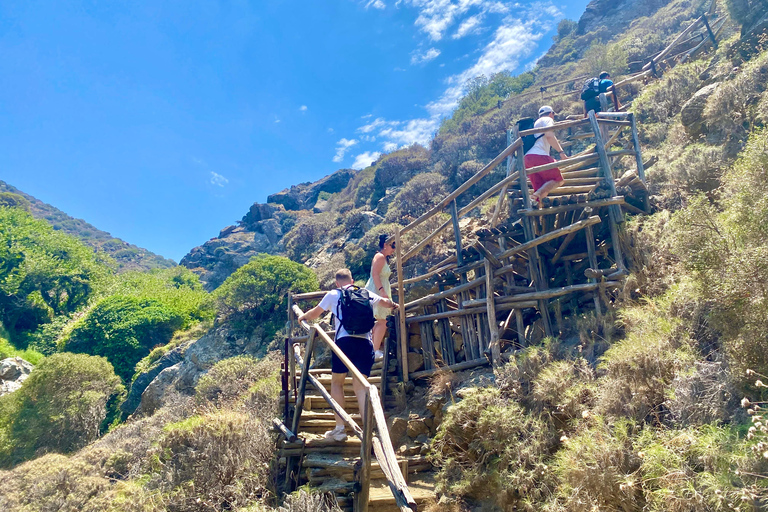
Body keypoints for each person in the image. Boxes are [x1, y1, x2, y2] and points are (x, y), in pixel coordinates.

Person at [297, 268, 398, 441]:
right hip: (366, 343)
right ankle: (369, 432)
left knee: (337, 383)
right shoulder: (365, 293)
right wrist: (395, 305)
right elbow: (385, 303)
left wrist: (302, 317)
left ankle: (340, 429)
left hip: (344, 343)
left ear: (337, 283)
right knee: (361, 387)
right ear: (352, 280)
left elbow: (315, 313)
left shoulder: (333, 294)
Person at [524, 105, 567, 204]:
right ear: (551, 113)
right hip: (539, 156)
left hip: (527, 158)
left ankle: (538, 211)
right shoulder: (547, 119)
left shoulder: (536, 123)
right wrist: (561, 152)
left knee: (542, 190)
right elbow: (549, 136)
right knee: (558, 180)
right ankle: (536, 195)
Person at [365, 234, 395, 361]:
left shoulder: (383, 257)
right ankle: (375, 350)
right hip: (377, 290)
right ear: (385, 245)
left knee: (380, 320)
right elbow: (375, 274)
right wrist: (382, 292)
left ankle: (373, 349)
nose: (394, 248)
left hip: (378, 289)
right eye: (392, 245)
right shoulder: (380, 257)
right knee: (383, 321)